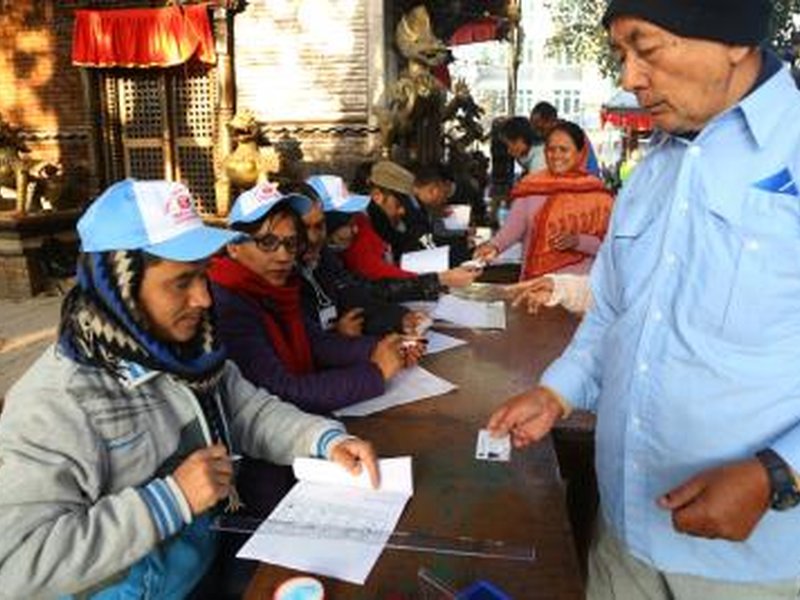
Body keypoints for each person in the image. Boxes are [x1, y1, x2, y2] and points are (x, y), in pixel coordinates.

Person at [488, 1, 800, 598]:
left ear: (733, 39)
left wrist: (777, 475)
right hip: (623, 537)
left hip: (754, 565)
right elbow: (612, 313)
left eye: (646, 48)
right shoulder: (652, 167)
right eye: (621, 55)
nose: (629, 78)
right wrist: (558, 391)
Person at [0, 179, 379, 599]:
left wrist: (322, 441)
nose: (203, 298)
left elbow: (248, 411)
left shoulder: (192, 351)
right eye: (182, 282)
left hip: (208, 560)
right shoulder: (58, 401)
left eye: (203, 276)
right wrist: (169, 500)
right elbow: (16, 563)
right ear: (118, 285)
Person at [209, 182, 416, 414]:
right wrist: (375, 372)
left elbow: (316, 342)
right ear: (233, 247)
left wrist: (379, 348)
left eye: (291, 243)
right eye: (267, 242)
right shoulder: (228, 304)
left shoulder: (279, 288)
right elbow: (280, 391)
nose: (283, 256)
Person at [475, 121, 614, 281]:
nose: (556, 156)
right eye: (551, 149)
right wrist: (493, 246)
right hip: (536, 288)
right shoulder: (531, 186)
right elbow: (512, 229)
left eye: (564, 150)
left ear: (580, 152)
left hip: (582, 291)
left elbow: (611, 248)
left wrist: (578, 241)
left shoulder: (599, 195)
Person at [294, 176, 430, 337]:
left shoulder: (326, 258)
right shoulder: (291, 269)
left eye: (319, 226)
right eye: (347, 223)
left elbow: (355, 297)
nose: (313, 237)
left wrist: (399, 318)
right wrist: (335, 335)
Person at [338, 160, 480, 287]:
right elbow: (376, 272)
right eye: (399, 205)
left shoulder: (383, 221)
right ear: (377, 196)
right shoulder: (359, 223)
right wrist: (437, 280)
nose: (402, 213)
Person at [531, 101, 602, 176]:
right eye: (535, 129)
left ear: (552, 121)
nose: (538, 134)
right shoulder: (550, 138)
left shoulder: (572, 134)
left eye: (541, 129)